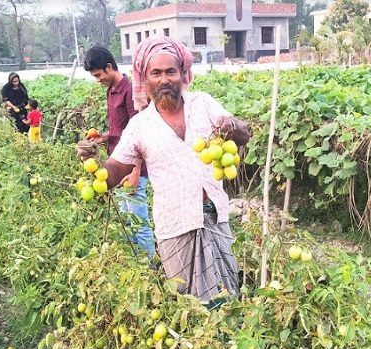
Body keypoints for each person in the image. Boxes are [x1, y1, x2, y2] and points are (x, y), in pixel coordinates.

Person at [78, 37, 251, 308]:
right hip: (175, 227)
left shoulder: (203, 104)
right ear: (145, 80)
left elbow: (242, 134)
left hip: (214, 218)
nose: (164, 79)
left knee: (229, 298)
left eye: (171, 71)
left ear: (183, 74)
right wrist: (96, 163)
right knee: (189, 308)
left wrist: (233, 127)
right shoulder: (140, 125)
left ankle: (230, 347)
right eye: (155, 73)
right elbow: (115, 171)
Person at [77, 46, 156, 260]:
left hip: (131, 169)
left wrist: (135, 172)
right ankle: (137, 264)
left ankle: (151, 267)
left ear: (109, 67)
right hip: (116, 164)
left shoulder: (131, 91)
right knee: (128, 220)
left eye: (99, 74)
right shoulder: (111, 90)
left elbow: (141, 132)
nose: (98, 79)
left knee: (139, 221)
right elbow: (119, 130)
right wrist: (102, 138)